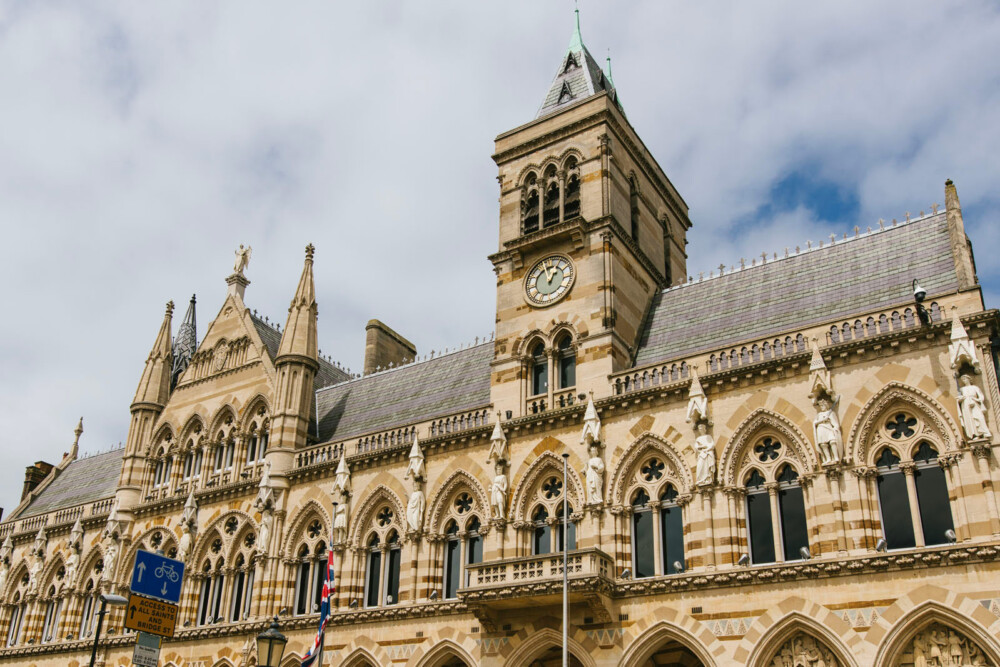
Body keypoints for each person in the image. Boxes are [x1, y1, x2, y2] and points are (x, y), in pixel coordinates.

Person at [958, 374, 992, 440]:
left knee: (980, 417)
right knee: (969, 419)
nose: (964, 380)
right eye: (963, 380)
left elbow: (981, 396)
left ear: (969, 379)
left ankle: (984, 432)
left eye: (965, 379)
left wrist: (976, 400)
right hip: (966, 405)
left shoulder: (974, 387)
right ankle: (975, 434)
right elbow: (959, 398)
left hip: (974, 404)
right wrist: (961, 399)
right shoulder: (962, 389)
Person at [813, 395, 843, 464]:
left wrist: (835, 428)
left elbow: (835, 423)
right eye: (820, 406)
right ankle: (828, 459)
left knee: (832, 441)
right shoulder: (819, 414)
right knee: (823, 444)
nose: (821, 407)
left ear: (826, 405)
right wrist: (823, 420)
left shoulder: (831, 413)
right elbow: (815, 423)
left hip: (829, 428)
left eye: (822, 406)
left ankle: (836, 457)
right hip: (821, 429)